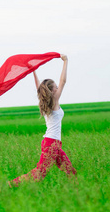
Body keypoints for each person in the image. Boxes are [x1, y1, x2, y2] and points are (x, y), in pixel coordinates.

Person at [9, 54, 77, 187]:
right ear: (51, 91)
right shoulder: (54, 101)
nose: (58, 89)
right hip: (51, 143)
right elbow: (63, 81)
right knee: (39, 174)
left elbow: (38, 87)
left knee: (70, 171)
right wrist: (65, 61)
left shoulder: (46, 101)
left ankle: (75, 193)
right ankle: (11, 184)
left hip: (54, 144)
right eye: (55, 87)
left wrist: (34, 70)